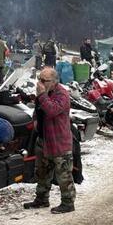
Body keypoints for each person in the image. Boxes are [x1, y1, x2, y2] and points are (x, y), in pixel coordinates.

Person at [24, 67, 75, 214]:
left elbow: (52, 110)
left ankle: (68, 203)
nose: (40, 83)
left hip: (59, 141)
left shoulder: (62, 94)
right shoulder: (43, 93)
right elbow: (39, 110)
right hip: (44, 140)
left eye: (44, 80)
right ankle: (41, 199)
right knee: (42, 172)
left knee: (64, 175)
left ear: (54, 82)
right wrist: (35, 121)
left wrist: (41, 96)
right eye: (39, 79)